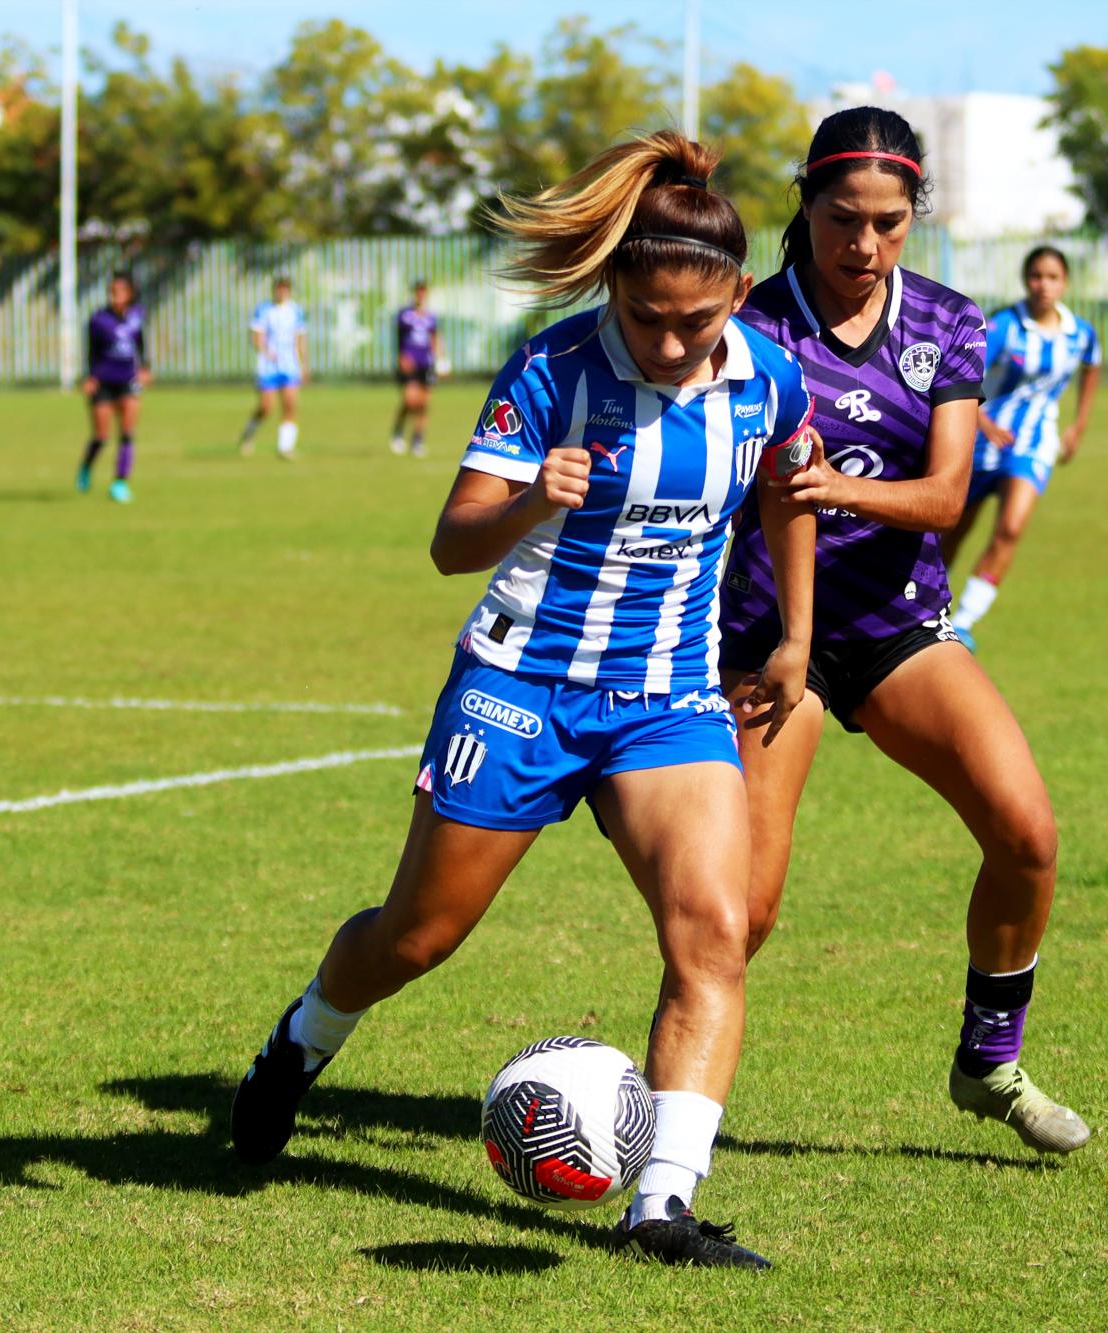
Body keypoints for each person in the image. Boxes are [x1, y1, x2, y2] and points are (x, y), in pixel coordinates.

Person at [229, 130, 817, 1270]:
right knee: (418, 934)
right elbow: (451, 543)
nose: (665, 338)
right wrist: (523, 503)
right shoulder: (552, 373)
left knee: (715, 932)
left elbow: (786, 489)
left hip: (667, 699)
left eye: (692, 321)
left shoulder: (767, 374)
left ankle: (662, 1206)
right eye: (644, 315)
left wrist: (793, 634)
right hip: (520, 688)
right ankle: (300, 1042)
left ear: (735, 297)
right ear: (613, 287)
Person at [718, 106, 1090, 1158]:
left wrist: (832, 484)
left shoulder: (949, 323)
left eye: (887, 223)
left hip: (894, 629)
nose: (863, 246)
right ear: (806, 205)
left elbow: (943, 495)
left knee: (1026, 833)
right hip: (762, 637)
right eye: (843, 219)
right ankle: (670, 1123)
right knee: (740, 913)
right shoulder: (747, 321)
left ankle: (988, 1060)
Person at [944, 245, 1101, 648]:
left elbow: (1092, 366)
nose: (1043, 285)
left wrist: (1078, 426)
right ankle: (930, 613)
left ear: (1065, 282)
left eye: (1052, 277)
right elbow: (963, 376)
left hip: (1033, 443)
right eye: (1036, 276)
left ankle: (965, 621)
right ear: (1025, 280)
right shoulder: (1004, 327)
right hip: (980, 443)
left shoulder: (1080, 332)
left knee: (1011, 527)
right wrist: (982, 420)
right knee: (951, 532)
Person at [76, 273, 150, 503]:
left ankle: (120, 483)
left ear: (130, 294)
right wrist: (90, 377)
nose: (115, 296)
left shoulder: (137, 316)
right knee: (101, 436)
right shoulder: (98, 320)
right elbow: (91, 351)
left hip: (128, 380)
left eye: (120, 292)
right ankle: (86, 467)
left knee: (127, 433)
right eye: (112, 292)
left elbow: (140, 343)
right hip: (104, 381)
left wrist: (146, 367)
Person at [238, 276, 307, 459]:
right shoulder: (264, 309)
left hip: (290, 364)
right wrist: (266, 351)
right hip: (268, 365)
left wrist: (304, 365)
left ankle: (285, 447)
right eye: (279, 288)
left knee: (290, 404)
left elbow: (300, 339)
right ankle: (249, 432)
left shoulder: (296, 311)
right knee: (266, 407)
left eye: (285, 289)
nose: (281, 292)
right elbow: (256, 335)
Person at [388, 278, 441, 457]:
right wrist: (401, 356)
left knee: (424, 403)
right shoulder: (404, 315)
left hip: (426, 363)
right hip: (410, 361)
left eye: (423, 291)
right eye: (418, 291)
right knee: (410, 400)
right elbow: (398, 338)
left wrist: (440, 359)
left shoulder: (431, 317)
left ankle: (418, 439)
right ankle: (398, 430)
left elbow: (435, 338)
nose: (421, 294)